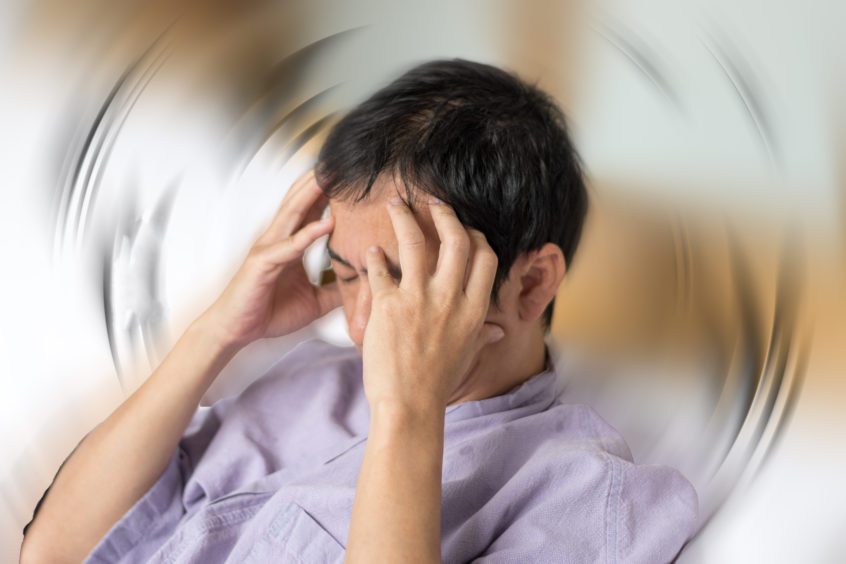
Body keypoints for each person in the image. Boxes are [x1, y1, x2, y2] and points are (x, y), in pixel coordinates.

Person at [20, 58, 698, 563]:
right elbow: (52, 549)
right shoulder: (304, 379)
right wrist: (218, 334)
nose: (362, 324)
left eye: (402, 280)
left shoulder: (585, 496)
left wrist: (408, 412)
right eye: (345, 276)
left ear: (531, 284)